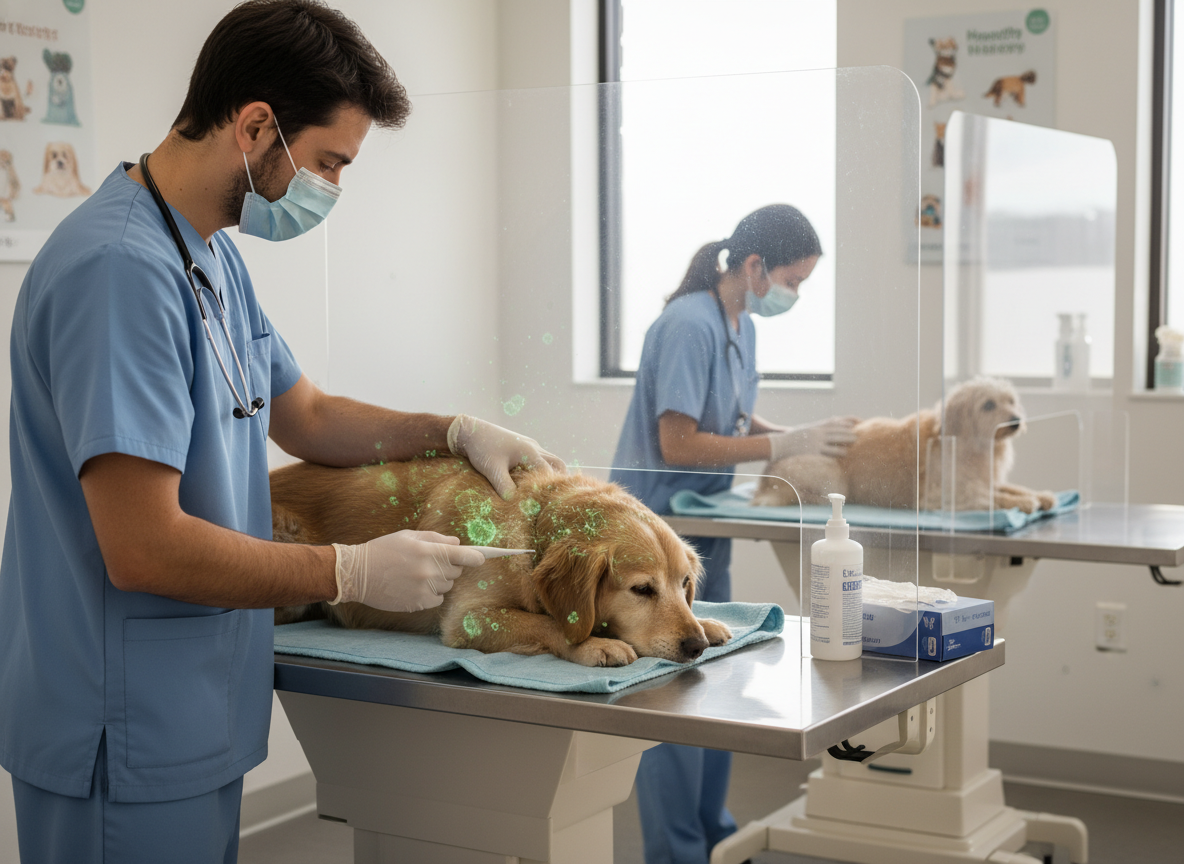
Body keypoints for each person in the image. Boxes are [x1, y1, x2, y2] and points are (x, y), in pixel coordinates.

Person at [0, 2, 562, 861]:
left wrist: (451, 431)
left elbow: (307, 416)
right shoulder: (119, 272)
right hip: (121, 721)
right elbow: (142, 549)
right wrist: (350, 569)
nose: (333, 187)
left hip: (189, 712)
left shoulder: (209, 255)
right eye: (329, 161)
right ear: (257, 125)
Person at [609, 204, 855, 864]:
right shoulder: (688, 324)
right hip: (658, 537)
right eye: (793, 281)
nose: (795, 295)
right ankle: (677, 852)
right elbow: (680, 443)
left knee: (713, 688)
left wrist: (797, 436)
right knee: (670, 699)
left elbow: (736, 420)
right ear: (754, 267)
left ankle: (714, 837)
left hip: (703, 531)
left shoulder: (739, 323)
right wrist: (783, 445)